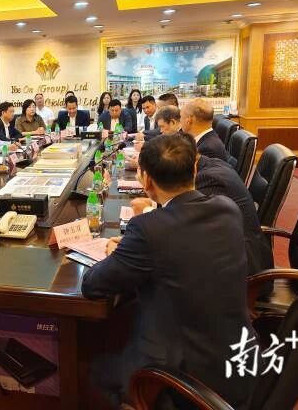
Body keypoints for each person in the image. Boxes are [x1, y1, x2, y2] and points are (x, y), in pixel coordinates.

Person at [81, 133, 256, 409]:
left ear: (146, 180)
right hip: (239, 362)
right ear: (195, 169)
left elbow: (92, 285)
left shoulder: (148, 230)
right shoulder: (228, 209)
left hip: (181, 381)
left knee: (89, 367)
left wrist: (121, 252)